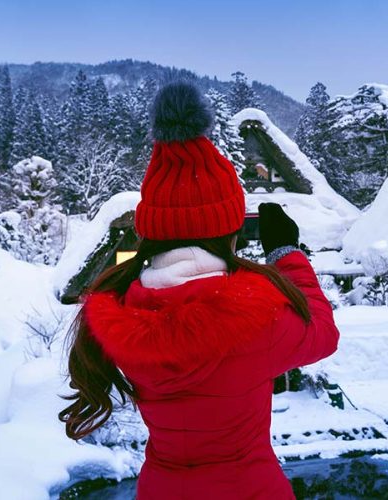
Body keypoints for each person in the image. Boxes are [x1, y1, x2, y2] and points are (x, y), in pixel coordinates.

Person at [59, 83, 340, 499]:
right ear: (229, 230)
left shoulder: (121, 316)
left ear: (152, 230)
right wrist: (287, 253)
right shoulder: (259, 318)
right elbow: (323, 333)